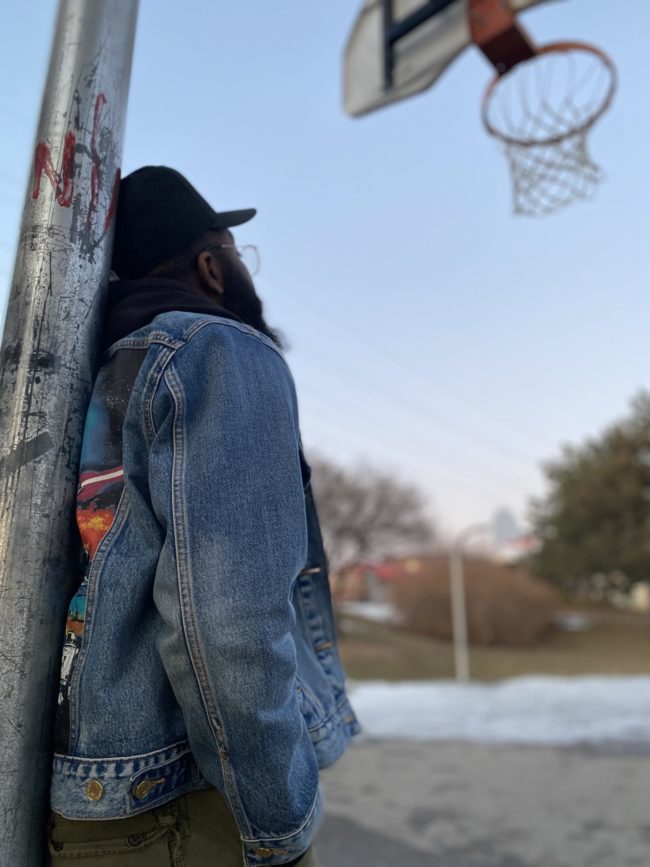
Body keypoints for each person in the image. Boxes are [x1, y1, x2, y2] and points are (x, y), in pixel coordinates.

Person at [47, 166, 361, 866]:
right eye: (237, 253)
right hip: (187, 813)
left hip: (88, 806)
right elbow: (226, 622)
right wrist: (276, 819)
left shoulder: (80, 377)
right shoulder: (218, 351)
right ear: (211, 266)